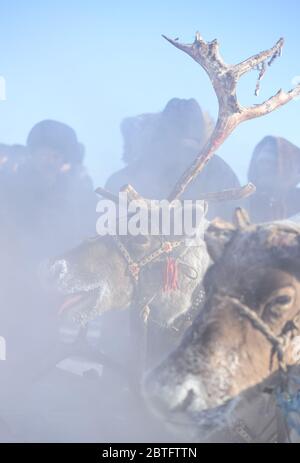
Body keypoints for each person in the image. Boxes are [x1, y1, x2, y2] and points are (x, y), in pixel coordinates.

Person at [106, 98, 241, 221]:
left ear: (159, 132)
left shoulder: (132, 172)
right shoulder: (222, 171)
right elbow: (239, 221)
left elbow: (103, 227)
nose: (184, 155)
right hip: (209, 247)